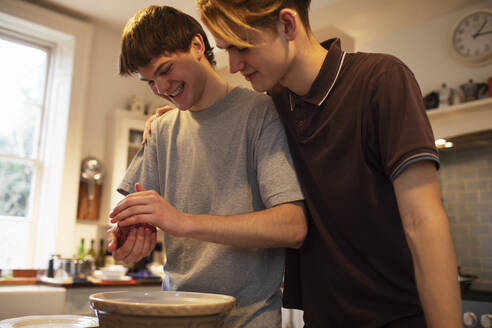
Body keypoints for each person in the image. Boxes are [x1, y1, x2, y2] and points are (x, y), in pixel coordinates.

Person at [155, 0, 459, 327]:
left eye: (241, 47)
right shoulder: (271, 107)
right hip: (319, 318)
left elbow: (423, 220)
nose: (233, 65)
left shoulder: (381, 79)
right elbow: (221, 109)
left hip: (397, 317)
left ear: (288, 25)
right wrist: (173, 114)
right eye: (226, 49)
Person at [107, 5, 307, 328]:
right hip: (172, 315)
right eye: (150, 82)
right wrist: (123, 241)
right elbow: (127, 222)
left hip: (247, 319)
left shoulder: (261, 112)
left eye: (166, 69)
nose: (161, 88)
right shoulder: (160, 129)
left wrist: (182, 222)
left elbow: (293, 226)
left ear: (198, 47)